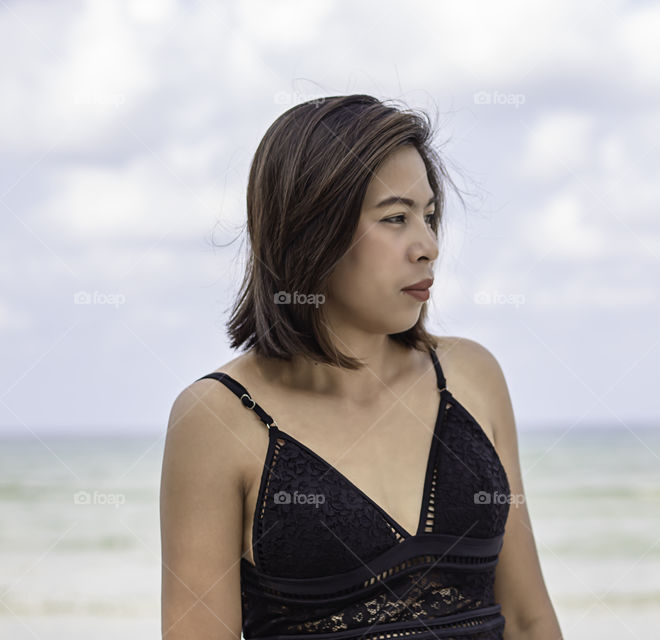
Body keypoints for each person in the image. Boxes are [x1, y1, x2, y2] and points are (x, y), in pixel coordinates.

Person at [159, 95, 562, 639]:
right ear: (312, 230)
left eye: (430, 216)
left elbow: (531, 621)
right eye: (396, 218)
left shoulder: (470, 377)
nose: (428, 246)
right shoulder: (217, 420)